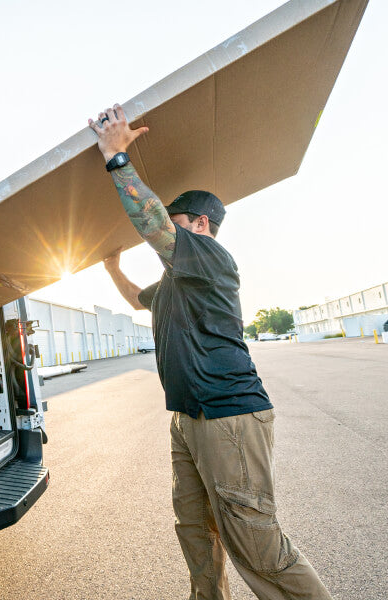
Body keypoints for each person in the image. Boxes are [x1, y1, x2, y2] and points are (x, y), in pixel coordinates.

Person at [88, 104, 331, 600]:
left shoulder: (210, 256)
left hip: (229, 417)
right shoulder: (178, 278)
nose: (167, 238)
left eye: (176, 224)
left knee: (258, 547)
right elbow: (138, 299)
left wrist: (116, 157)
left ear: (199, 224)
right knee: (197, 532)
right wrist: (110, 265)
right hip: (187, 417)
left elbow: (154, 224)